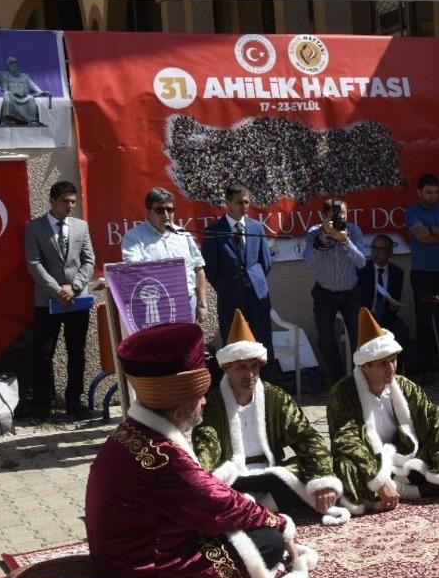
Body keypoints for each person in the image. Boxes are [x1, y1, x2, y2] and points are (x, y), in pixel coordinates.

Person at [85, 322, 319, 578]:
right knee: (267, 543)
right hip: (141, 562)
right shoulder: (163, 455)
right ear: (181, 408)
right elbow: (216, 502)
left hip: (125, 548)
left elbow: (205, 491)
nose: (205, 404)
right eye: (200, 398)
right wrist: (280, 524)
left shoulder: (133, 431)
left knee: (249, 521)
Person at [193, 310, 349, 525]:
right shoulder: (213, 404)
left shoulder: (275, 397)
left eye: (254, 366)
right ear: (226, 368)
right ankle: (254, 507)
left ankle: (249, 509)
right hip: (235, 477)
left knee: (314, 471)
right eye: (241, 367)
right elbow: (206, 445)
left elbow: (307, 437)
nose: (249, 374)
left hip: (272, 472)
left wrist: (321, 479)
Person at [327, 308, 439, 514]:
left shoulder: (405, 386)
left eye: (394, 360)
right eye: (383, 363)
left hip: (403, 453)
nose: (392, 368)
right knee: (345, 466)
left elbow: (433, 417)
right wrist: (379, 481)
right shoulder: (343, 393)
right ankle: (410, 489)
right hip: (370, 459)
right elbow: (346, 440)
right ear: (365, 366)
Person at [23, 180, 96, 421]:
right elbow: (34, 264)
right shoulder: (34, 228)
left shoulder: (81, 226)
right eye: (65, 202)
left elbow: (88, 260)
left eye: (73, 202)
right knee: (44, 352)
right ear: (52, 201)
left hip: (77, 300)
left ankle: (74, 401)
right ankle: (43, 403)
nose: (70, 206)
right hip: (47, 301)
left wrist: (74, 288)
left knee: (77, 351)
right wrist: (57, 290)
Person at [202, 184, 275, 375]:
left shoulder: (256, 227)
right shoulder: (214, 231)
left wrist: (254, 281)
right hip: (230, 298)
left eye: (247, 202)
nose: (244, 207)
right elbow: (211, 269)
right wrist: (228, 285)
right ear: (227, 203)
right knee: (234, 345)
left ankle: (267, 385)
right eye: (239, 203)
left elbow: (265, 262)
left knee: (263, 343)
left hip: (257, 296)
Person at [302, 199, 366, 384]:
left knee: (358, 339)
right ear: (324, 217)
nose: (340, 218)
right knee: (326, 340)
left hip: (350, 293)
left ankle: (358, 381)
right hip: (325, 294)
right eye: (334, 215)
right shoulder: (314, 233)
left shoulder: (353, 231)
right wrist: (323, 238)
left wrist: (345, 240)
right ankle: (338, 381)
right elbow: (307, 263)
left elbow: (361, 262)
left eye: (343, 214)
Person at [121, 187, 208, 322]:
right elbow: (135, 271)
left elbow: (199, 269)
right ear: (147, 212)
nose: (166, 215)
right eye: (160, 210)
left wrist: (202, 304)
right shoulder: (134, 237)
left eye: (170, 210)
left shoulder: (183, 234)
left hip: (187, 301)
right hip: (157, 306)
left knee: (187, 343)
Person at [404, 174, 439, 375]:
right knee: (424, 321)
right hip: (423, 273)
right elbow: (422, 237)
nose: (433, 196)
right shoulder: (412, 212)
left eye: (436, 192)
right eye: (428, 192)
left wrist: (431, 230)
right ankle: (427, 369)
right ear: (419, 192)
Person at [358, 233, 410, 349]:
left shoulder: (397, 273)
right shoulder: (361, 269)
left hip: (386, 315)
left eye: (381, 249)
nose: (376, 252)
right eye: (374, 248)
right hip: (365, 316)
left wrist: (394, 307)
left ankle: (396, 366)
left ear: (390, 252)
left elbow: (395, 303)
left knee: (402, 331)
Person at [0, 55, 51, 127]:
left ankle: (33, 121)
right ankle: (7, 119)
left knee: (31, 98)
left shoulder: (25, 76)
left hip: (25, 97)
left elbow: (34, 86)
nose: (13, 66)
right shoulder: (3, 75)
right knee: (6, 94)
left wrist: (41, 92)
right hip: (12, 97)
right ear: (8, 67)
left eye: (14, 64)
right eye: (11, 65)